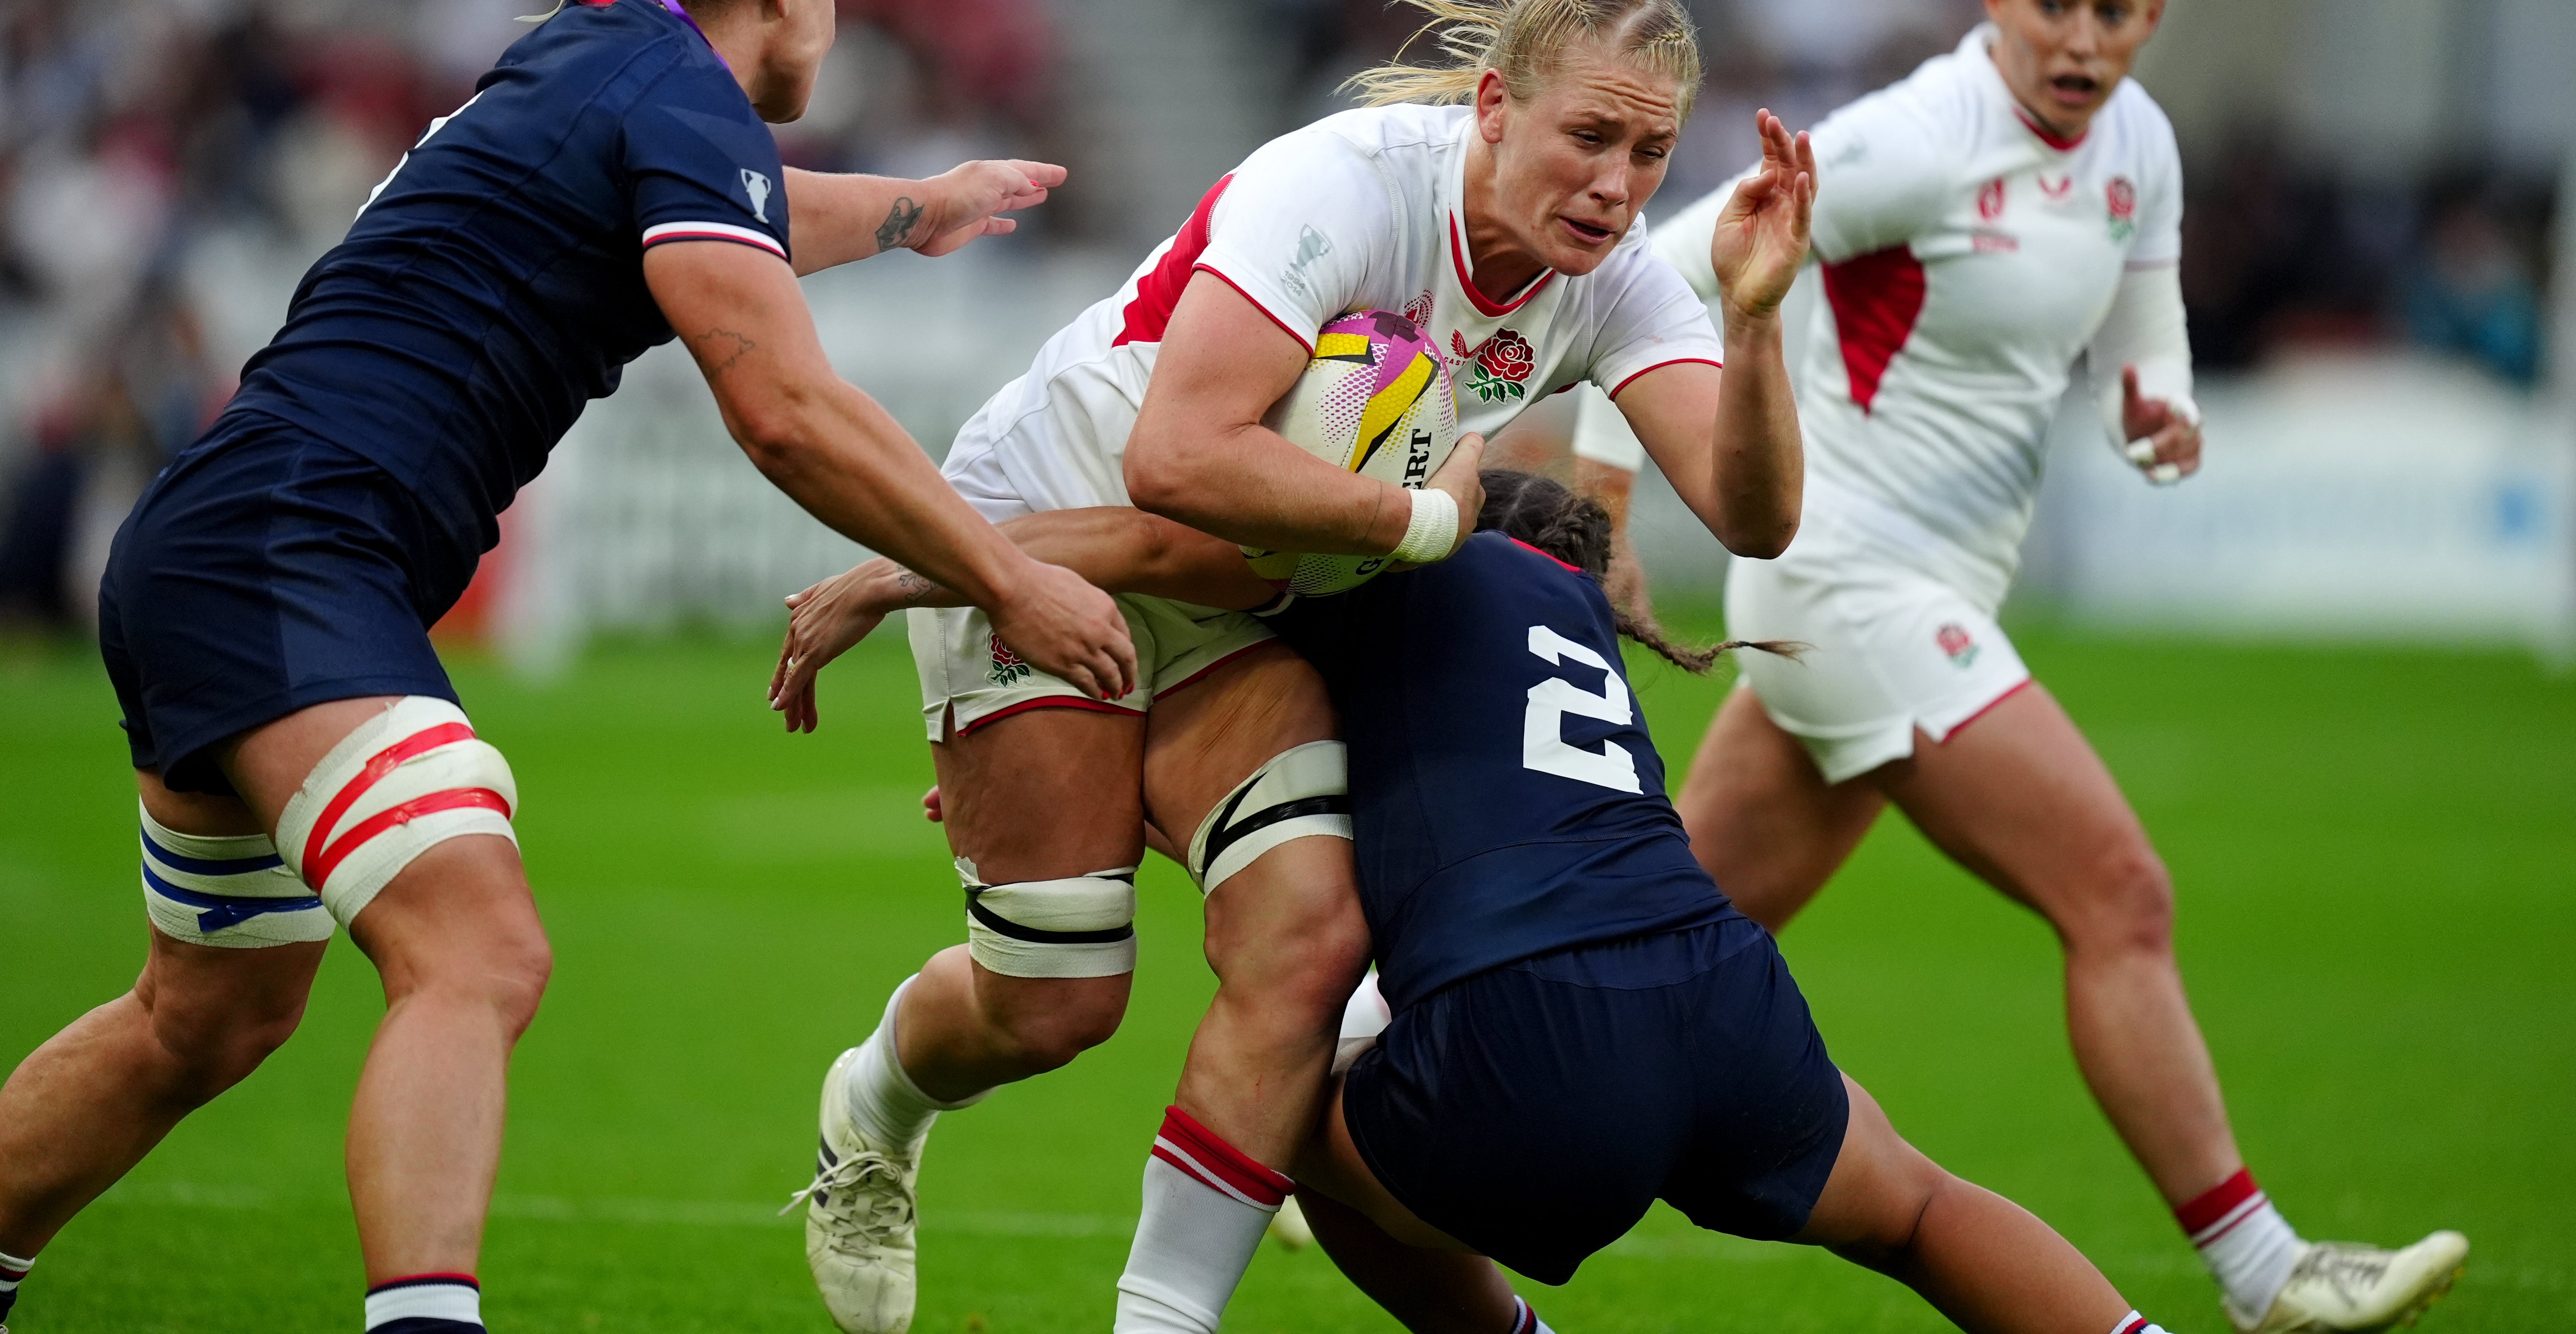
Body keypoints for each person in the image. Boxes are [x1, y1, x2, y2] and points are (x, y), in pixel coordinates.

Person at [0, 0, 1133, 1334]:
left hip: (224, 546)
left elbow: (743, 218)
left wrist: (922, 208)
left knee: (201, 1020)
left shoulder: (590, 60)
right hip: (292, 550)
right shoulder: (677, 90)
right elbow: (788, 413)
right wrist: (1007, 576)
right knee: (476, 945)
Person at [769, 0, 1814, 1334]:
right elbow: (1174, 464)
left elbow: (1754, 517)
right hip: (1040, 537)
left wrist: (1753, 326)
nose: (1618, 185)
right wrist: (1426, 524)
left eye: (1650, 151)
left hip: (1244, 595)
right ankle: (874, 1103)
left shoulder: (1612, 276)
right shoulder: (1347, 190)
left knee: (1309, 938)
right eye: (1589, 136)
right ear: (1495, 107)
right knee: (1056, 1000)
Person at [1568, 0, 2467, 1334]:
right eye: (2054, 4)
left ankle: (1372, 1100)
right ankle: (2271, 1276)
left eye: (2113, 12)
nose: (2080, 39)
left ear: (2152, 21)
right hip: (1845, 576)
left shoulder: (2140, 148)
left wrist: (2156, 399)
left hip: (1923, 602)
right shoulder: (1921, 136)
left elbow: (2141, 305)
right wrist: (1604, 485)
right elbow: (1666, 257)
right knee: (2119, 890)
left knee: (1662, 932)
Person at [777, 470, 2196, 1334]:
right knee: (1916, 1213)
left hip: (1537, 1039)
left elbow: (1163, 565)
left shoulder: (1402, 562)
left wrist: (915, 592)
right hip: (1723, 988)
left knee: (1295, 1111)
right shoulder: (1572, 625)